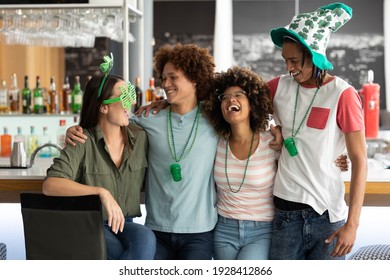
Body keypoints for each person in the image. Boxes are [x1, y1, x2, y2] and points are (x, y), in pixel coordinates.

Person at [66, 44, 218, 260]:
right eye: (163, 78)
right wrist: (74, 130)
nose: (165, 84)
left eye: (173, 77)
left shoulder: (215, 119)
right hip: (157, 230)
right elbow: (110, 119)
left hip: (200, 232)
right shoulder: (147, 119)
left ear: (194, 78)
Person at [268, 2, 367, 259]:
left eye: (294, 61)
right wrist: (273, 127)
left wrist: (352, 225)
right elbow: (236, 101)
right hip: (285, 215)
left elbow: (359, 160)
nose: (289, 68)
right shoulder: (279, 87)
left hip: (328, 216)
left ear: (313, 55)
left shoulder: (342, 94)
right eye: (285, 61)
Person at [42, 54, 156, 260]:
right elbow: (50, 185)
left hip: (125, 224)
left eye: (130, 94)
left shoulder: (140, 138)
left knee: (146, 238)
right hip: (88, 223)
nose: (130, 102)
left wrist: (164, 103)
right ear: (104, 107)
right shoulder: (82, 140)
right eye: (124, 97)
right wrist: (101, 192)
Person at [203, 66, 277, 260]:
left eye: (238, 95)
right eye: (225, 97)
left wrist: (338, 158)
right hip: (223, 229)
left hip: (262, 231)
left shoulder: (272, 141)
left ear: (252, 103)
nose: (231, 100)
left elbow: (302, 158)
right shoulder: (215, 142)